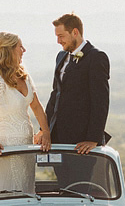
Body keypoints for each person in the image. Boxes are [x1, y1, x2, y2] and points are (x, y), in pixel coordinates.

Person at [0, 32, 51, 192]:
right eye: (20, 47)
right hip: (7, 147)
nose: (24, 50)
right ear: (10, 50)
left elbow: (37, 107)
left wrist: (45, 131)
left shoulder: (25, 76)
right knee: (8, 194)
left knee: (26, 191)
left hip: (27, 145)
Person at [43, 13, 110, 155]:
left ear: (75, 32)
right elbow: (56, 95)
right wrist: (44, 130)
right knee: (61, 178)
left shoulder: (96, 57)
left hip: (81, 142)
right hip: (57, 138)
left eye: (61, 36)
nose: (58, 41)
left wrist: (93, 139)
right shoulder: (61, 56)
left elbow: (100, 101)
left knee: (81, 178)